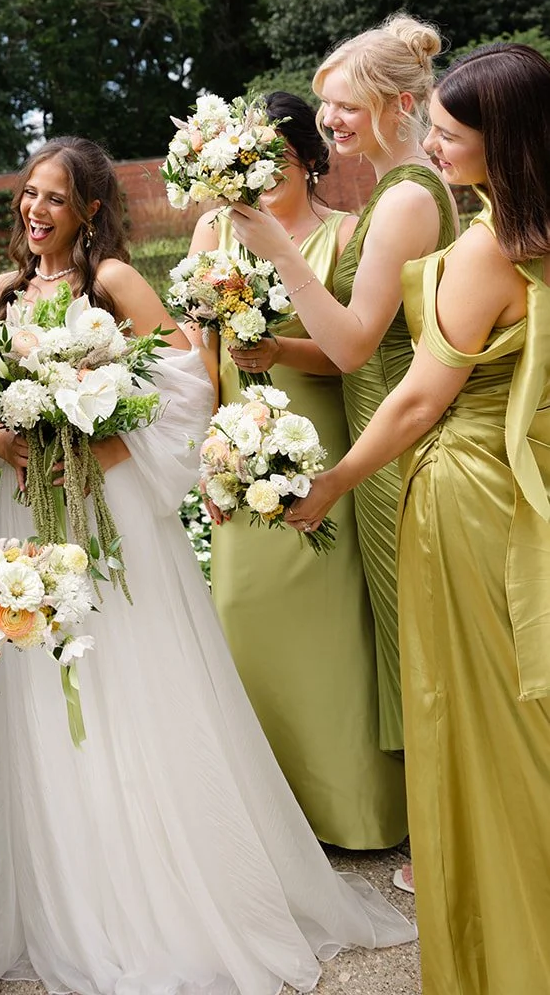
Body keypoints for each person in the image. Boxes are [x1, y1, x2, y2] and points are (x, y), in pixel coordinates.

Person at [0, 136, 416, 995]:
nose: (35, 211)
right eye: (28, 194)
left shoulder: (116, 285)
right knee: (49, 696)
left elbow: (186, 389)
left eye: (55, 199)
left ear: (90, 210)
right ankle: (78, 896)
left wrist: (101, 449)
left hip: (109, 513)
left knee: (133, 681)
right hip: (28, 512)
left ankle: (176, 890)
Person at [287, 43, 550, 995]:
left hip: (471, 496)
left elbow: (409, 403)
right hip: (535, 482)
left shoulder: (492, 247)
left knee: (482, 724)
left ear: (503, 143)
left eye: (446, 133)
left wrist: (332, 482)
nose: (431, 146)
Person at [228, 15, 457, 782]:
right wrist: (275, 349)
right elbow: (354, 343)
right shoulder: (401, 187)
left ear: (399, 103)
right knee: (404, 635)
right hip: (380, 427)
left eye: (345, 106)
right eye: (326, 105)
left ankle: (443, 840)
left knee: (420, 642)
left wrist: (282, 254)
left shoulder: (402, 201)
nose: (328, 121)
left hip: (400, 443)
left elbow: (358, 344)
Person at [189, 93, 408, 849]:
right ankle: (277, 826)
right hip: (230, 451)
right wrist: (197, 454)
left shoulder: (345, 234)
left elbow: (358, 349)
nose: (257, 176)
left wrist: (278, 351)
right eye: (243, 163)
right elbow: (194, 352)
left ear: (310, 162)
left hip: (321, 439)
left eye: (273, 161)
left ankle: (354, 813)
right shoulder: (211, 230)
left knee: (332, 635)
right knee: (243, 617)